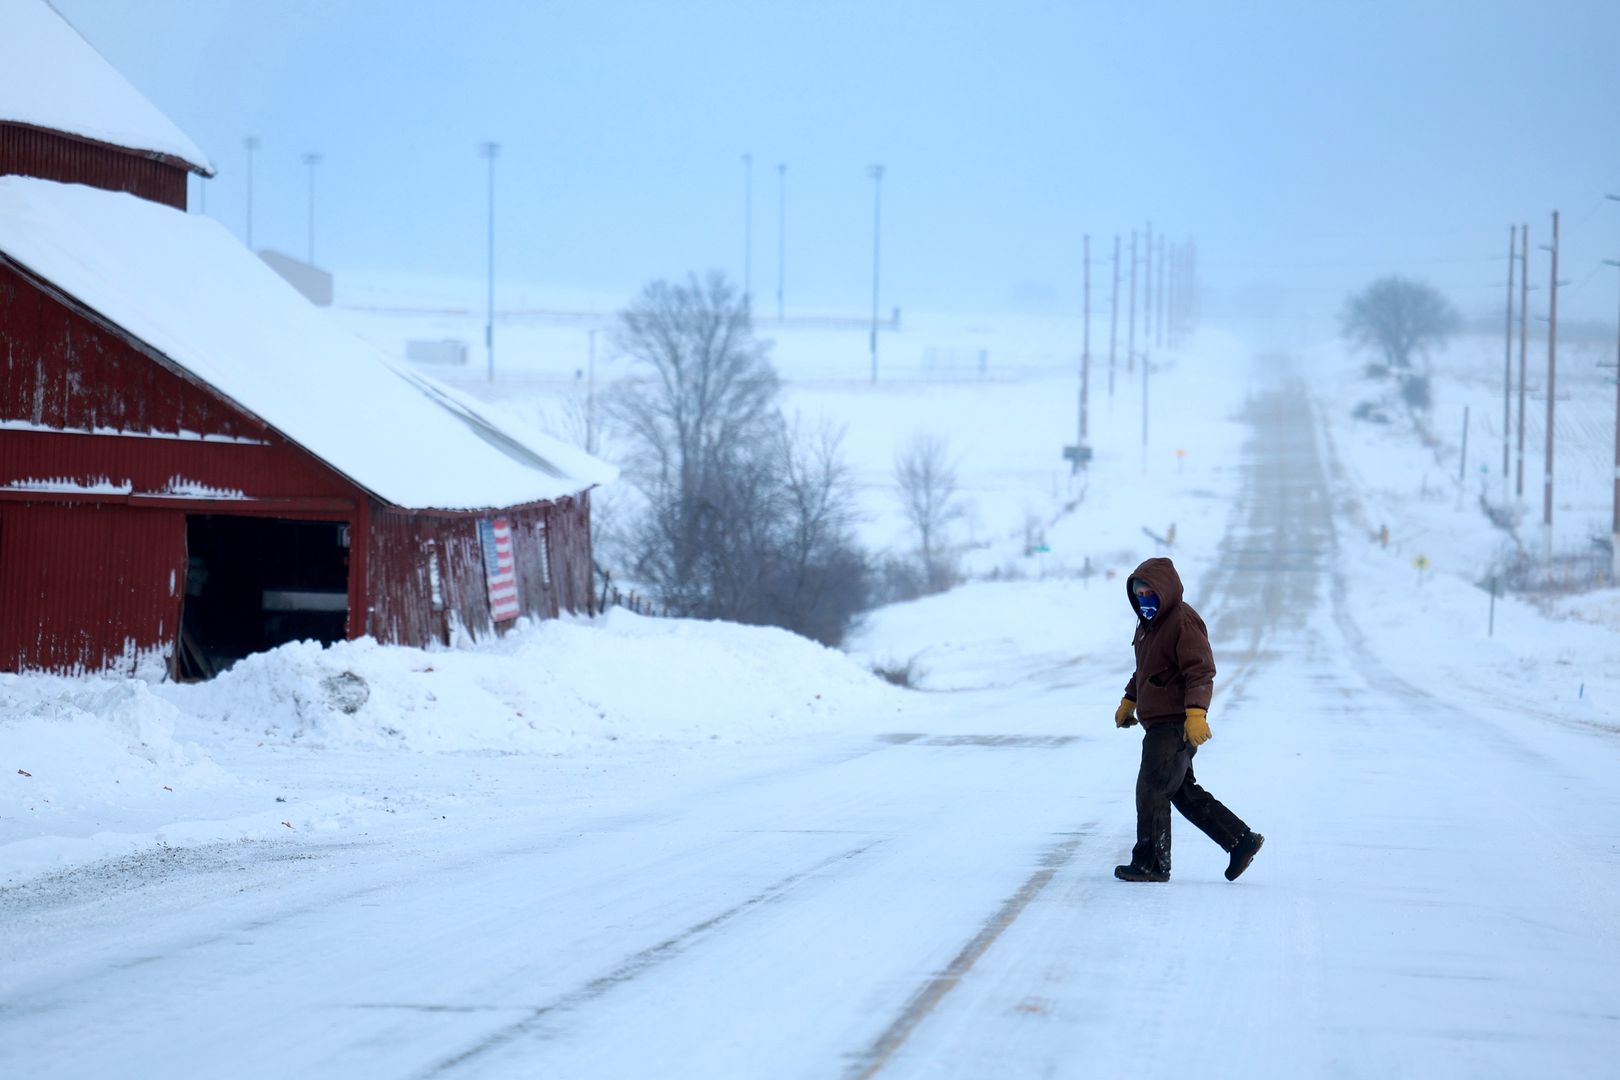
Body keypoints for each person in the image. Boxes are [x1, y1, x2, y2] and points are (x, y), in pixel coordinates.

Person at [1112, 556, 1263, 883]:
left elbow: (1200, 670)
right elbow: (1147, 670)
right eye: (1137, 595)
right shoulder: (1148, 626)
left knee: (1152, 788)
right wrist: (1130, 699)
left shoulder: (1182, 620)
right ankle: (1240, 841)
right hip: (1158, 722)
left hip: (1173, 724)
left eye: (1148, 593)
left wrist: (1196, 713)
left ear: (1164, 590)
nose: (1143, 600)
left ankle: (1152, 863)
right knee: (1181, 791)